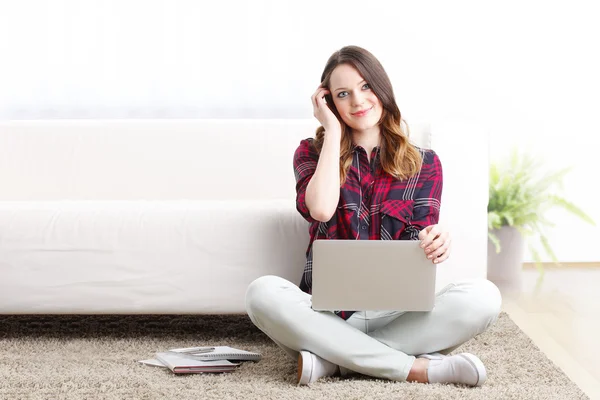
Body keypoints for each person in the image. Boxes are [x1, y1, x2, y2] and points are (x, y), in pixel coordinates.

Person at [245, 45, 501, 387]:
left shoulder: (425, 162)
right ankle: (414, 368)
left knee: (483, 298)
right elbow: (320, 209)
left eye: (366, 87)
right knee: (261, 293)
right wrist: (333, 133)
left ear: (382, 88)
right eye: (342, 94)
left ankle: (334, 361)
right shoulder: (310, 152)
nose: (357, 101)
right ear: (329, 103)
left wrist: (435, 241)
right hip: (325, 314)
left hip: (399, 315)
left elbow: (420, 242)